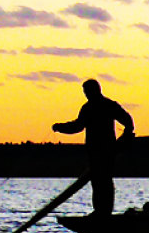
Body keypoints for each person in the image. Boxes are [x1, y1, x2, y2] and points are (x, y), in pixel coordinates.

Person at [53, 79, 135, 215]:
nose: (86, 94)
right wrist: (61, 127)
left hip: (107, 150)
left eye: (87, 91)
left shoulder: (106, 105)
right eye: (85, 92)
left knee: (103, 181)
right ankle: (100, 211)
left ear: (96, 90)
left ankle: (103, 212)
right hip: (95, 151)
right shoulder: (91, 107)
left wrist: (124, 139)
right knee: (98, 181)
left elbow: (128, 122)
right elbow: (78, 126)